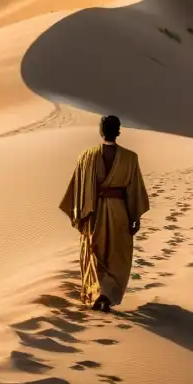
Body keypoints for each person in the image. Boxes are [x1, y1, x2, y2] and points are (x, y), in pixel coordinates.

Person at [59, 115, 150, 312]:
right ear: (118, 131)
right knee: (118, 255)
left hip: (94, 212)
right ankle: (107, 295)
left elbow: (77, 190)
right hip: (119, 212)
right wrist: (134, 218)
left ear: (101, 130)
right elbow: (134, 191)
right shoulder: (130, 158)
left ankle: (97, 292)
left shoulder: (86, 156)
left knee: (94, 252)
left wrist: (80, 215)